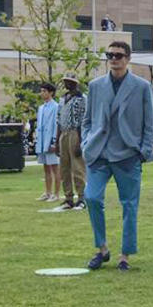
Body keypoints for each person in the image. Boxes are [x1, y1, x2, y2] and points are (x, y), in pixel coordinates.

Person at [82, 40, 153, 272]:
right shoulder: (95, 86)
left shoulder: (141, 86)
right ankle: (102, 249)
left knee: (129, 205)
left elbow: (149, 122)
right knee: (91, 198)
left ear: (128, 58)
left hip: (128, 154)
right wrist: (86, 142)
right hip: (99, 153)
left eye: (119, 55)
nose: (114, 59)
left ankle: (125, 255)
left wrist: (143, 152)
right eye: (110, 55)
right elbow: (87, 120)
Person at [57, 75, 87, 210]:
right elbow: (59, 119)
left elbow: (82, 120)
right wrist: (57, 139)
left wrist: (80, 141)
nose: (65, 83)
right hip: (64, 132)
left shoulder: (81, 99)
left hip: (75, 132)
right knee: (64, 167)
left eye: (68, 81)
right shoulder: (62, 99)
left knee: (77, 167)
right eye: (65, 81)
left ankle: (81, 197)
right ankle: (68, 197)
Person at [35, 83, 61, 201]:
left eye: (44, 91)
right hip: (42, 141)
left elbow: (56, 125)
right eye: (41, 91)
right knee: (46, 168)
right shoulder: (41, 108)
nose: (42, 93)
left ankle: (56, 194)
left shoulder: (56, 106)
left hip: (50, 141)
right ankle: (48, 192)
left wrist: (54, 142)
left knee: (55, 168)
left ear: (51, 92)